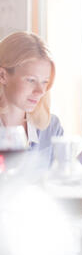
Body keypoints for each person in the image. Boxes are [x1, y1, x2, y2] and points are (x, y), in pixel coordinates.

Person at [0, 32, 63, 167]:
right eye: (31, 80)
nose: (40, 91)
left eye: (45, 82)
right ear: (2, 76)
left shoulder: (52, 128)